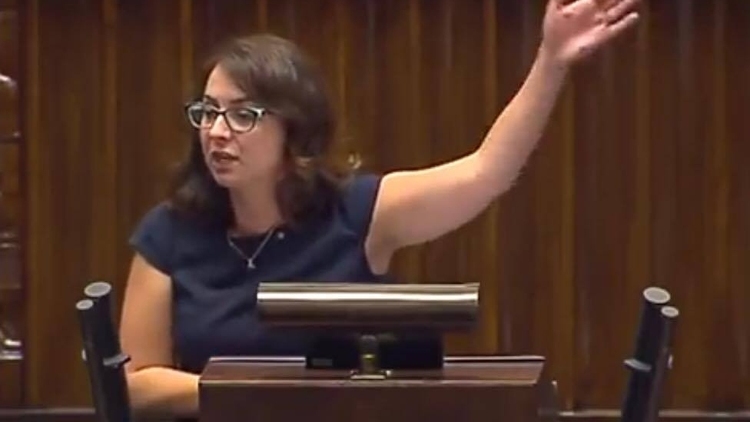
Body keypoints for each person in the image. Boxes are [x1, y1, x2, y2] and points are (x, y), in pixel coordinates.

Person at [119, 0, 641, 418]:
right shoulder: (170, 232)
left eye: (242, 115)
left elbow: (486, 172)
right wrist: (253, 393)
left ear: (293, 130)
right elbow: (135, 383)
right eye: (207, 112)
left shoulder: (356, 213)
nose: (216, 131)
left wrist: (550, 62)